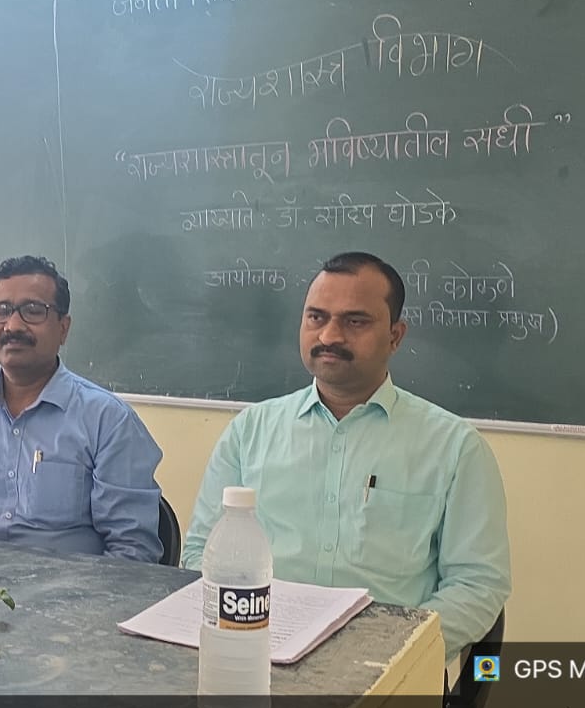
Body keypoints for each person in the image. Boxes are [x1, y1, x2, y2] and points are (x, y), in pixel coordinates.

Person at [183, 251, 509, 659]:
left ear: (395, 336)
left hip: (386, 666)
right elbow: (199, 554)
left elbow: (478, 585)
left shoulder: (455, 447)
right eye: (316, 317)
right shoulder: (250, 431)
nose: (329, 336)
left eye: (355, 321)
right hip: (255, 654)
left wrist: (389, 648)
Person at [0, 255, 164, 562]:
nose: (13, 325)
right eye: (1, 310)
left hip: (68, 589)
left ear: (63, 328)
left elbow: (133, 553)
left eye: (33, 311)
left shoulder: (108, 421)